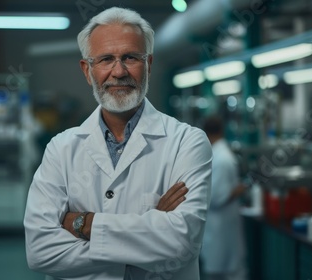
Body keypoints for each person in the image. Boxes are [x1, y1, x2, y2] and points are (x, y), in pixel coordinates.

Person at [24, 7, 212, 280]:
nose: (118, 71)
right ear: (87, 70)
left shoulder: (187, 142)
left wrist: (82, 224)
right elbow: (40, 251)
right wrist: (149, 233)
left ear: (147, 64)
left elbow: (181, 243)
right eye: (105, 59)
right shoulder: (61, 149)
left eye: (130, 58)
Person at [200, 116, 248, 280]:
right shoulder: (223, 158)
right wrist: (241, 188)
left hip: (220, 226)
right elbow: (218, 197)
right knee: (229, 271)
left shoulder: (218, 156)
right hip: (220, 227)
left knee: (226, 269)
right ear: (222, 130)